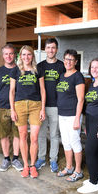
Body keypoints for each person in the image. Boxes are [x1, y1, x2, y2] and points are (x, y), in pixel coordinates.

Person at [9, 45, 46, 178]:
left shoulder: (38, 70)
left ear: (32, 56)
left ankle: (33, 166)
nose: (26, 57)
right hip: (20, 105)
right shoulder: (15, 71)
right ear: (20, 56)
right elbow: (12, 91)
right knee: (23, 135)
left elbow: (42, 90)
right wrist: (12, 109)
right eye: (24, 55)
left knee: (34, 137)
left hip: (36, 105)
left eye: (29, 54)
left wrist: (42, 108)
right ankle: (25, 165)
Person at [77, 58, 98, 193]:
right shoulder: (92, 83)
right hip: (90, 121)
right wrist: (87, 125)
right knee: (96, 150)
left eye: (97, 67)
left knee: (90, 150)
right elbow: (90, 105)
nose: (94, 70)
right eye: (92, 67)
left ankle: (93, 182)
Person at [0, 44, 23, 172]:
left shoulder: (21, 70)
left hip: (19, 107)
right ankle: (6, 159)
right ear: (3, 55)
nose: (8, 56)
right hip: (3, 108)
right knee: (4, 135)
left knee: (17, 134)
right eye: (6, 54)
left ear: (15, 55)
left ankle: (15, 158)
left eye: (11, 53)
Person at [35, 38, 65, 173]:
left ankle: (53, 159)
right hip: (41, 106)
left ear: (57, 49)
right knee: (41, 134)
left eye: (53, 48)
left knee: (54, 134)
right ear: (45, 49)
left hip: (56, 105)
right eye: (48, 48)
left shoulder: (62, 66)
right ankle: (41, 158)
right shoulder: (39, 66)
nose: (51, 50)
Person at [56, 49, 85, 182]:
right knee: (66, 142)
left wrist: (77, 119)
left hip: (73, 115)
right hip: (62, 114)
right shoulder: (62, 76)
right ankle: (69, 167)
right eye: (66, 59)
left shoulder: (78, 76)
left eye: (71, 60)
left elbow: (81, 99)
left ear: (75, 62)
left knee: (75, 142)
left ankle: (78, 171)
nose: (68, 62)